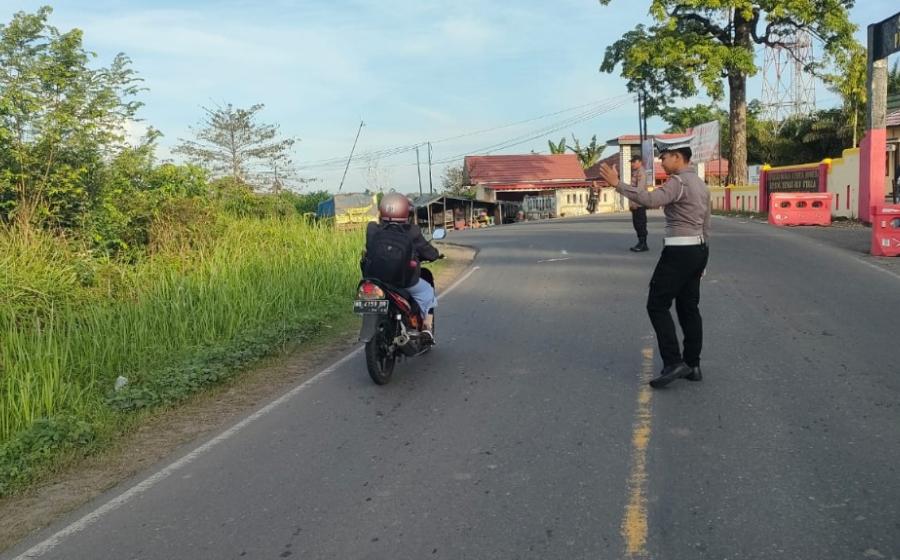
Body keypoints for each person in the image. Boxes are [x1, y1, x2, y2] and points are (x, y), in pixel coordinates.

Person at [598, 136, 710, 389]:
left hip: (679, 252)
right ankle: (693, 365)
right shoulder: (701, 184)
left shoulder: (678, 182)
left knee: (656, 304)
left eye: (664, 157)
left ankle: (673, 362)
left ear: (678, 157)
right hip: (698, 250)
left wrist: (617, 184)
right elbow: (706, 223)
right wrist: (704, 260)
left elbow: (650, 200)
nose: (661, 161)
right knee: (689, 308)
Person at [364, 192, 441, 338]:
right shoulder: (412, 231)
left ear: (382, 210)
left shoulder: (372, 229)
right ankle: (426, 328)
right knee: (427, 292)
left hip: (376, 280)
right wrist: (436, 255)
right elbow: (428, 252)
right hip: (404, 281)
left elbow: (369, 249)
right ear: (405, 211)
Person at [628, 155, 649, 252]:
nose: (632, 164)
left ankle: (643, 244)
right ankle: (641, 242)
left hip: (639, 202)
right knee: (637, 223)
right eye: (631, 162)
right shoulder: (635, 172)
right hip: (635, 202)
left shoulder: (641, 172)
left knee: (640, 223)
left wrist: (635, 203)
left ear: (639, 162)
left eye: (633, 162)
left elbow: (639, 189)